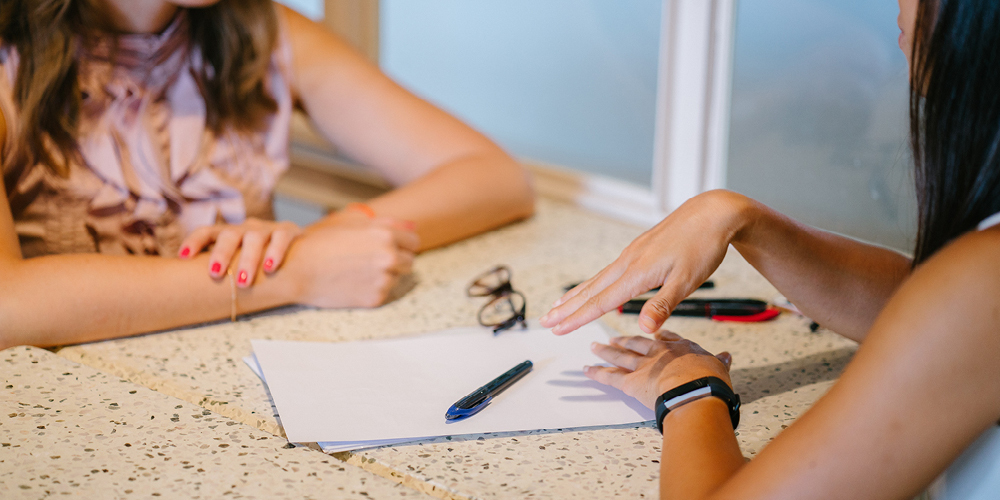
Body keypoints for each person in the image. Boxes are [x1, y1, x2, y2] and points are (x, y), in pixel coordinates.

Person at [540, 0, 1000, 498]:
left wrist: (691, 389)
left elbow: (959, 313)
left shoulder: (984, 282)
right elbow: (930, 311)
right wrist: (740, 218)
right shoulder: (974, 284)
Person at [0, 0, 534, 349]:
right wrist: (289, 273)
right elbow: (9, 306)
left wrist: (317, 241)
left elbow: (494, 177)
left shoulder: (266, 29)